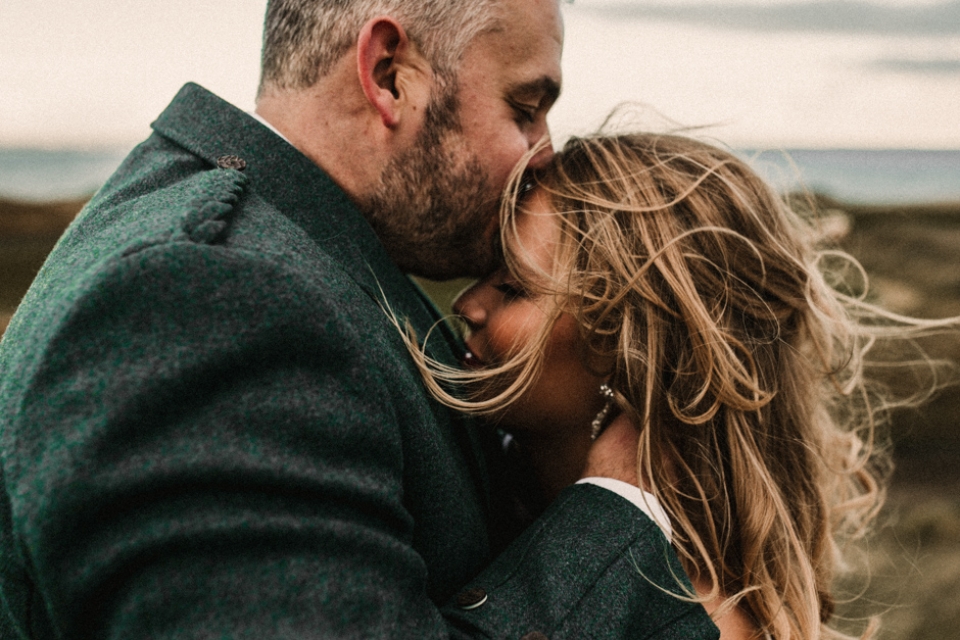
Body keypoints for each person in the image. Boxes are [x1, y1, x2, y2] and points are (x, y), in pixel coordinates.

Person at [0, 2, 719, 639]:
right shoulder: (212, 297)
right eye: (524, 108)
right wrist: (617, 515)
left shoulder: (291, 260)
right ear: (389, 75)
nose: (544, 154)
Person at [402, 131, 956, 639]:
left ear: (624, 347)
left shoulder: (697, 616)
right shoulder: (480, 499)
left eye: (514, 288)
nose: (468, 305)